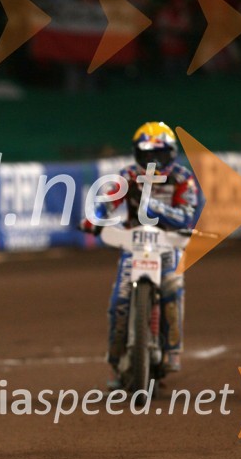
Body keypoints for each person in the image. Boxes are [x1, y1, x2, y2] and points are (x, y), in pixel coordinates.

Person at [82, 122, 198, 383]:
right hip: (135, 244)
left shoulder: (183, 178)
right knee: (119, 302)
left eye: (158, 154)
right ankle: (116, 360)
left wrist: (154, 206)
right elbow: (107, 201)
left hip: (168, 243)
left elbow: (187, 216)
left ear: (171, 154)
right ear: (137, 154)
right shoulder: (127, 175)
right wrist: (94, 218)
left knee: (173, 286)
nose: (153, 161)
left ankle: (172, 350)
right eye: (147, 155)